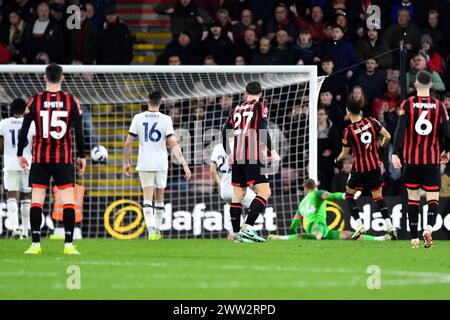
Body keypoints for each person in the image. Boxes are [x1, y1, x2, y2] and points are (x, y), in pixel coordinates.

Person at [17, 64, 86, 255]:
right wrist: (82, 156)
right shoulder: (71, 100)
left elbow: (24, 130)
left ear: (44, 77)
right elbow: (79, 132)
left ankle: (36, 245)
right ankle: (69, 245)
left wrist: (20, 153)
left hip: (40, 157)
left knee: (37, 201)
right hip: (63, 158)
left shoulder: (35, 100)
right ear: (62, 78)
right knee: (68, 202)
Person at [392, 70, 450, 248]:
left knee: (413, 200)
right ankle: (429, 228)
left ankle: (415, 238)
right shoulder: (439, 105)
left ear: (415, 85)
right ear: (431, 85)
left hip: (412, 161)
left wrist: (395, 153)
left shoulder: (407, 103)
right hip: (432, 161)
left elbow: (400, 131)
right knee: (433, 198)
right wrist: (446, 152)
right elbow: (447, 134)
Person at [123, 91, 192, 240]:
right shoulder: (166, 119)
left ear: (148, 100)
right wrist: (185, 165)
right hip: (161, 163)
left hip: (145, 163)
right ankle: (158, 230)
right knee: (159, 198)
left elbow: (128, 142)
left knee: (147, 199)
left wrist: (126, 162)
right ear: (161, 102)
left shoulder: (138, 118)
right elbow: (173, 143)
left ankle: (151, 231)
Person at [221, 81, 280, 242]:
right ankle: (247, 228)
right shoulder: (260, 106)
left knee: (238, 195)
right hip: (251, 153)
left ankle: (236, 234)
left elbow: (225, 130)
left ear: (245, 93)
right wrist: (273, 151)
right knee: (265, 192)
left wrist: (229, 153)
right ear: (261, 93)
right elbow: (262, 129)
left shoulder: (237, 108)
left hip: (237, 154)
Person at [336, 101, 396, 241]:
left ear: (348, 112)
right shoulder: (371, 121)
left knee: (349, 196)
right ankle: (390, 227)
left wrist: (337, 160)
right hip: (375, 166)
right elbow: (387, 136)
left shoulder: (348, 131)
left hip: (360, 168)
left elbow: (344, 154)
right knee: (378, 197)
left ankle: (359, 226)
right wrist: (381, 149)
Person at [268, 179, 390, 241]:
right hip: (317, 225)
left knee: (348, 235)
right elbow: (332, 196)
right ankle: (280, 237)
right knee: (316, 237)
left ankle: (380, 238)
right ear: (315, 186)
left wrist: (292, 234)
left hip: (324, 229)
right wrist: (346, 195)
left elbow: (294, 224)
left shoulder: (302, 204)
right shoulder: (317, 194)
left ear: (305, 189)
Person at [0, 98, 35, 239]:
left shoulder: (3, 123)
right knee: (26, 197)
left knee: (11, 196)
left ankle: (15, 229)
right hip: (27, 163)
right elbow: (35, 144)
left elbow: (0, 147)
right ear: (25, 109)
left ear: (11, 109)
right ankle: (26, 232)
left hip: (10, 163)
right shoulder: (32, 123)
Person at [210, 142, 256, 238]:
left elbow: (212, 169)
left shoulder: (217, 147)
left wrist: (220, 184)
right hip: (236, 187)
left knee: (231, 206)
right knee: (258, 201)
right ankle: (245, 228)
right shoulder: (240, 145)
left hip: (224, 189)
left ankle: (232, 233)